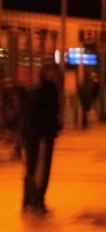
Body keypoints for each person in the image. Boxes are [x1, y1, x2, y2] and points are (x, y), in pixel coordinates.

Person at [21, 62, 63, 216]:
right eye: (54, 71)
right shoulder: (40, 89)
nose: (56, 75)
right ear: (46, 72)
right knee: (38, 169)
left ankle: (33, 200)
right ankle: (34, 200)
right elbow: (32, 114)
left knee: (38, 169)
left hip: (44, 134)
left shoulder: (50, 89)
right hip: (39, 135)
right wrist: (50, 120)